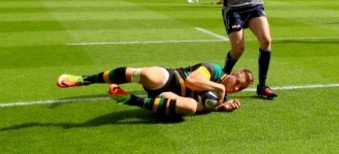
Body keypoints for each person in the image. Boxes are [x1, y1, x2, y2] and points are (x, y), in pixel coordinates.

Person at [57, 63, 254, 117]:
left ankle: (130, 100)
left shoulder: (222, 96)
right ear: (233, 74)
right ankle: (84, 80)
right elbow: (193, 80)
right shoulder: (215, 70)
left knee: (191, 107)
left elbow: (202, 107)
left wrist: (220, 107)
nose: (236, 88)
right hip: (172, 78)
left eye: (241, 88)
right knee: (145, 75)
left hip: (169, 97)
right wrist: (218, 86)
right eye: (238, 81)